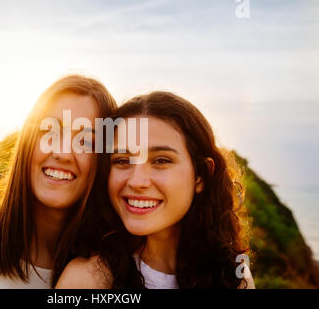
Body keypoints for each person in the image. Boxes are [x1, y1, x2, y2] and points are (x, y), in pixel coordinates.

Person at [0, 75, 117, 288]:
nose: (63, 153)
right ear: (27, 142)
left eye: (85, 141)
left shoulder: (121, 271)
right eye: (49, 131)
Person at [56, 91, 255, 289]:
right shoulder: (87, 280)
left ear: (200, 175)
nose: (137, 181)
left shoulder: (233, 273)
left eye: (161, 160)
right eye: (122, 161)